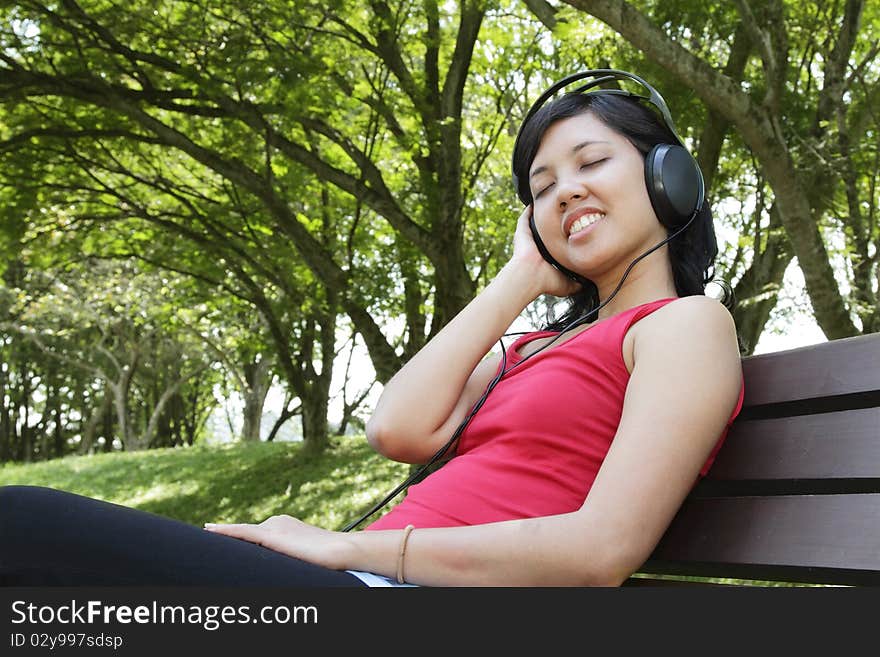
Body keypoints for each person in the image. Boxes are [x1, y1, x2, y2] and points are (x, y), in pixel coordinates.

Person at [0, 71, 744, 587]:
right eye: (541, 189)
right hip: (361, 579)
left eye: (591, 162)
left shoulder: (685, 325)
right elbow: (397, 430)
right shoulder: (526, 348)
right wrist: (520, 277)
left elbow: (600, 550)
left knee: (25, 528)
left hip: (405, 593)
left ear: (666, 178)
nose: (565, 191)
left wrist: (344, 546)